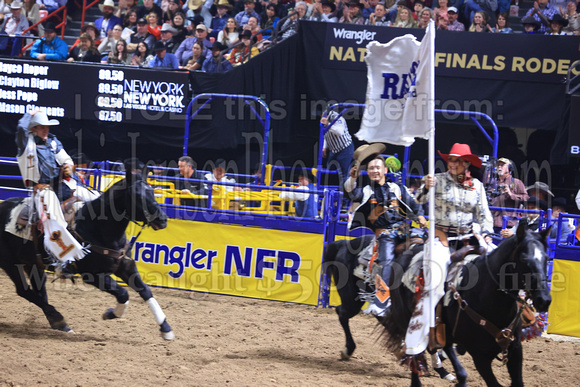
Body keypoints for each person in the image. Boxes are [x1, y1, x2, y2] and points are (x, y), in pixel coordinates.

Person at [405, 143, 493, 361]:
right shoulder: (437, 180)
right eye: (450, 160)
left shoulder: (478, 186)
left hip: (468, 238)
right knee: (434, 282)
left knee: (496, 266)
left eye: (457, 160)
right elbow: (417, 201)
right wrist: (426, 187)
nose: (453, 164)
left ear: (466, 163)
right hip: (441, 237)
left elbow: (484, 214)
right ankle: (419, 336)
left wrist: (488, 234)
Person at [344, 144, 426, 316]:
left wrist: (420, 216)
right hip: (385, 235)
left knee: (425, 248)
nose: (374, 171)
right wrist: (352, 179)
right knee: (386, 261)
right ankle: (381, 300)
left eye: (377, 168)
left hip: (406, 231)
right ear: (368, 172)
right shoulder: (365, 191)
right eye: (371, 168)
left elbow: (414, 205)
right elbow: (351, 193)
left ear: (385, 170)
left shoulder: (398, 188)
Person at [15, 111, 96, 264]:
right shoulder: (26, 144)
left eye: (47, 127)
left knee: (95, 198)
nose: (46, 130)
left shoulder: (52, 142)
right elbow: (20, 130)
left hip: (62, 185)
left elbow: (66, 160)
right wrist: (28, 115)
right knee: (55, 218)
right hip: (42, 189)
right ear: (33, 129)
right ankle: (63, 256)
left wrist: (68, 167)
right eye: (41, 127)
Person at [490, 158, 528, 233]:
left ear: (509, 168)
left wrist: (511, 194)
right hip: (492, 223)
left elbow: (526, 198)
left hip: (508, 225)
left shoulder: (516, 182)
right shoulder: (492, 183)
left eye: (502, 165)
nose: (499, 167)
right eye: (498, 165)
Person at [320, 111, 354, 184]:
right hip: (334, 150)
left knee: (344, 174)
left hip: (345, 148)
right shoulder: (324, 121)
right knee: (329, 169)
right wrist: (324, 147)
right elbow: (326, 135)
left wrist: (328, 124)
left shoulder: (338, 118)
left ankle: (344, 193)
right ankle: (330, 190)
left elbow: (340, 132)